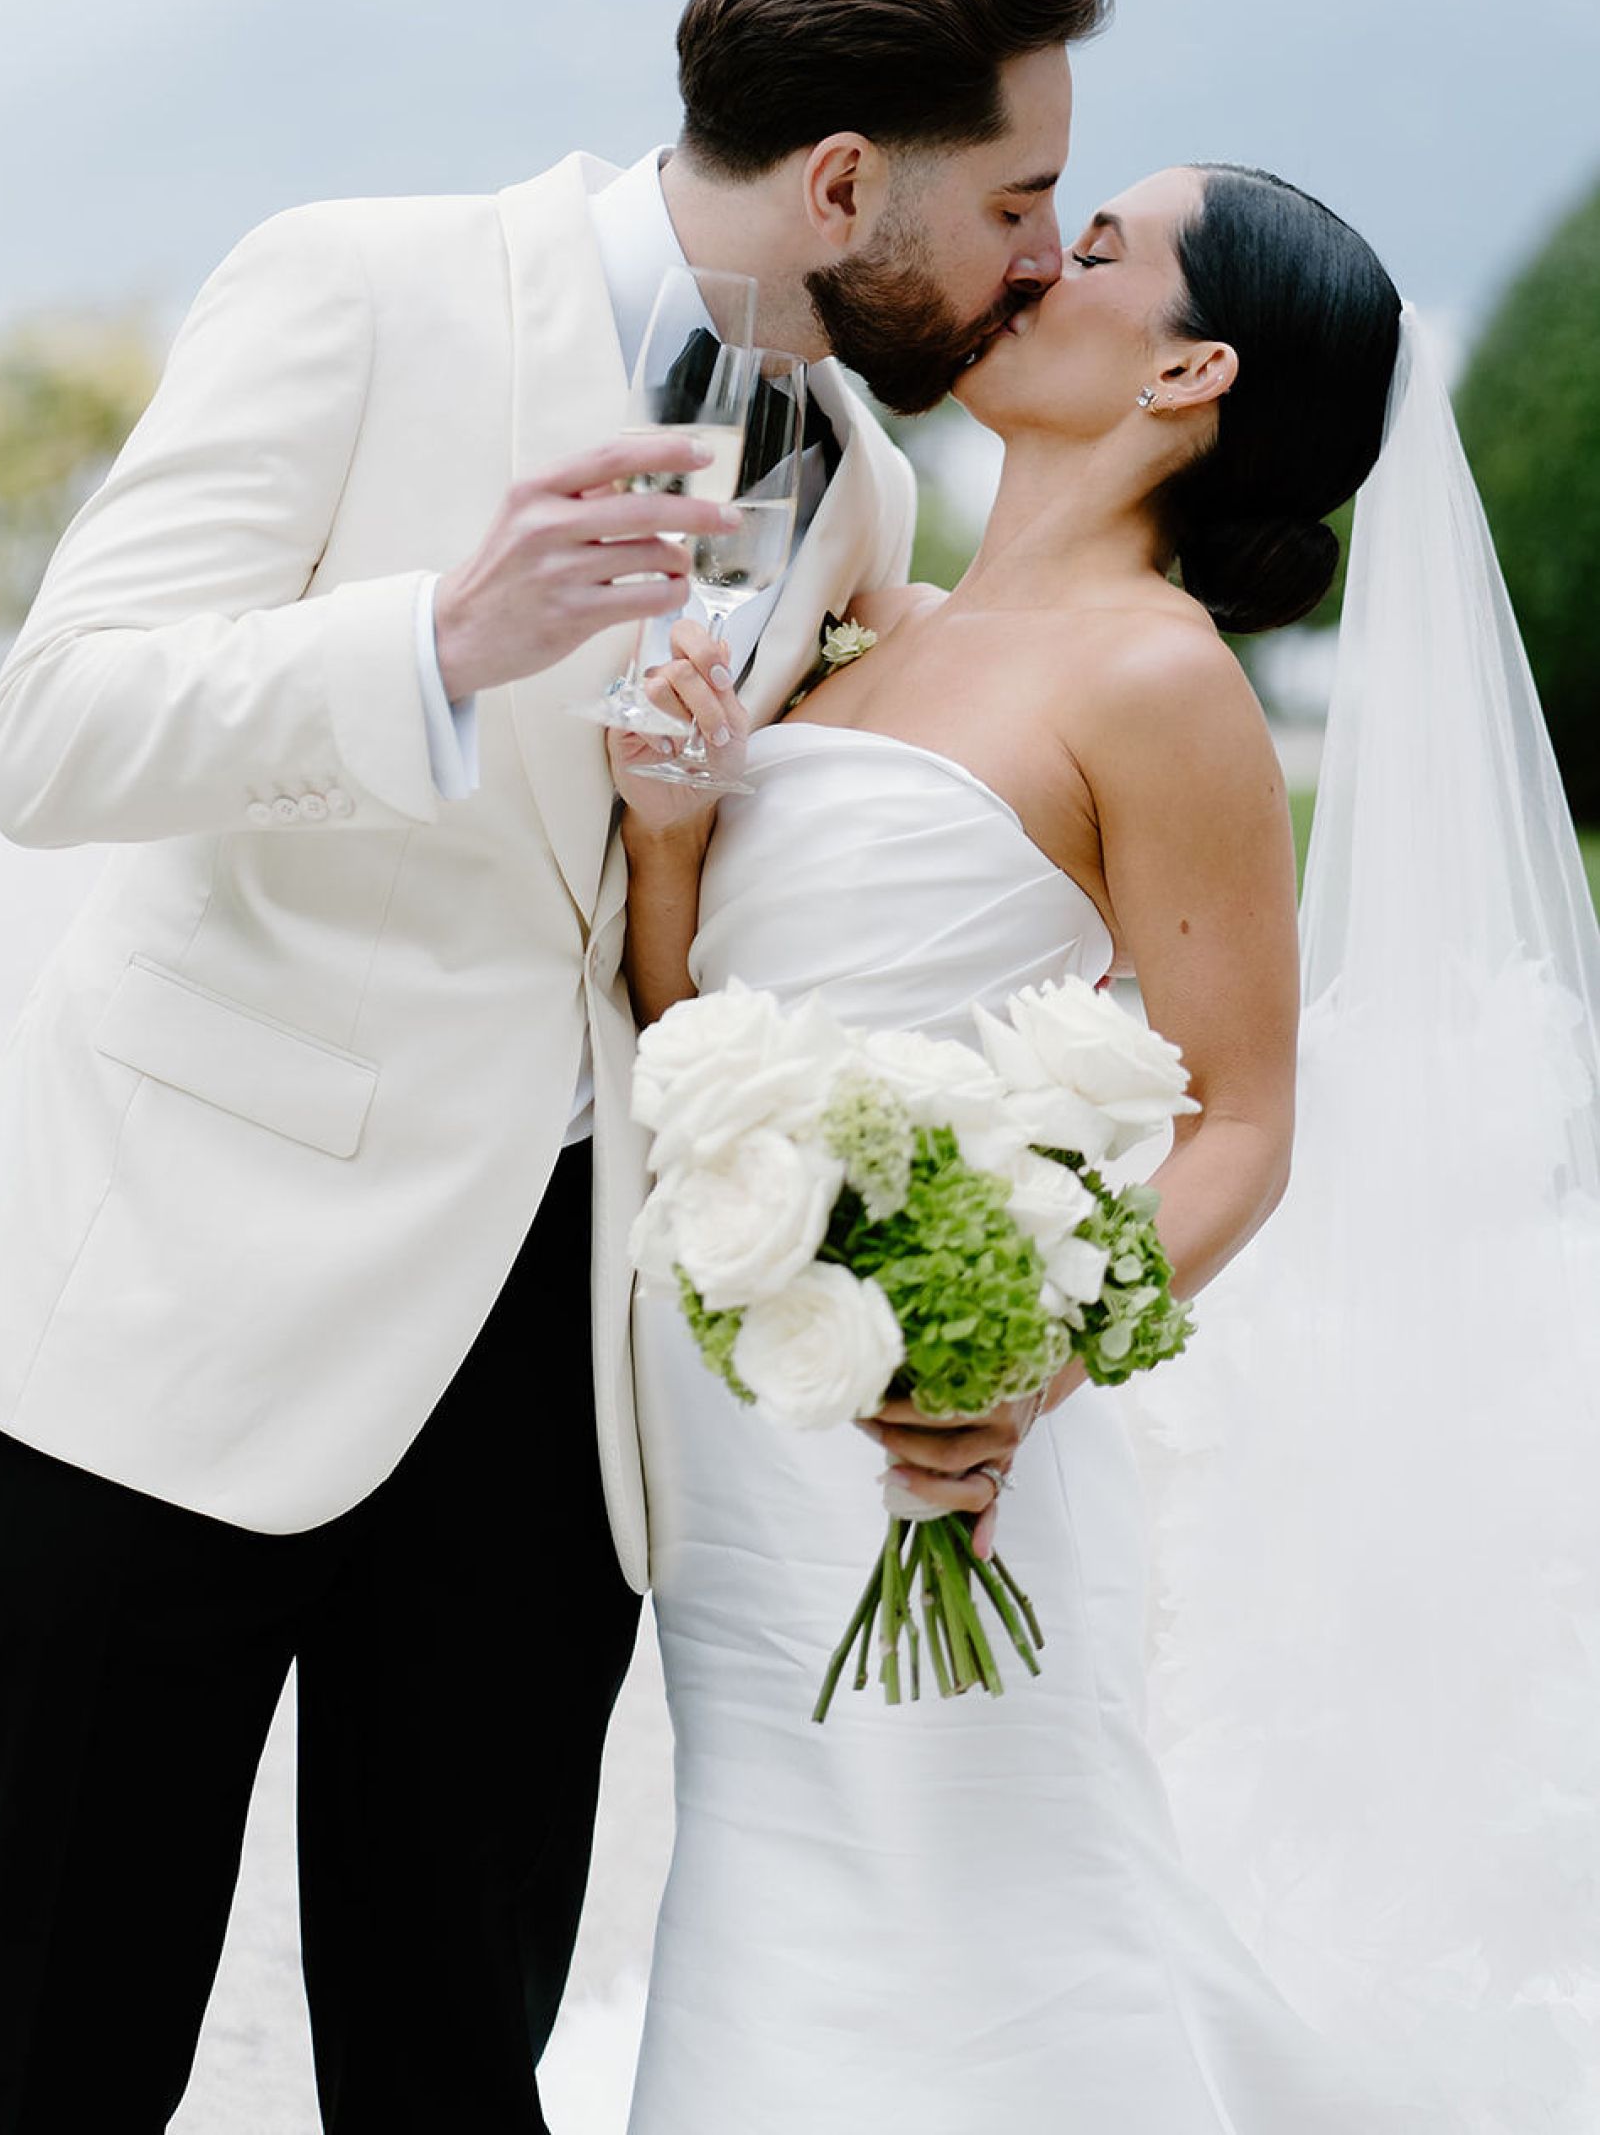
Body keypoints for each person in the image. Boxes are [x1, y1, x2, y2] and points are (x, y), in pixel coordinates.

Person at [0, 0, 1111, 2132]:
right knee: (56, 2047)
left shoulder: (849, 483)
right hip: (179, 1308)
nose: (1045, 251)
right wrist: (442, 640)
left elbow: (749, 918)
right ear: (845, 180)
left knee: (456, 2060)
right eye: (1023, 197)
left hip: (548, 1391)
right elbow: (49, 729)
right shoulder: (358, 283)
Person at [612, 161, 1468, 2129]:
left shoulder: (1161, 683)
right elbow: (694, 1035)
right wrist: (668, 838)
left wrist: (1024, 1361)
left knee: (982, 1942)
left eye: (1094, 252)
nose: (1031, 268)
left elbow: (1243, 1115)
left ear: (1194, 371)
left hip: (944, 1449)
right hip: (739, 1435)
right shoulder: (861, 625)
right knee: (773, 1919)